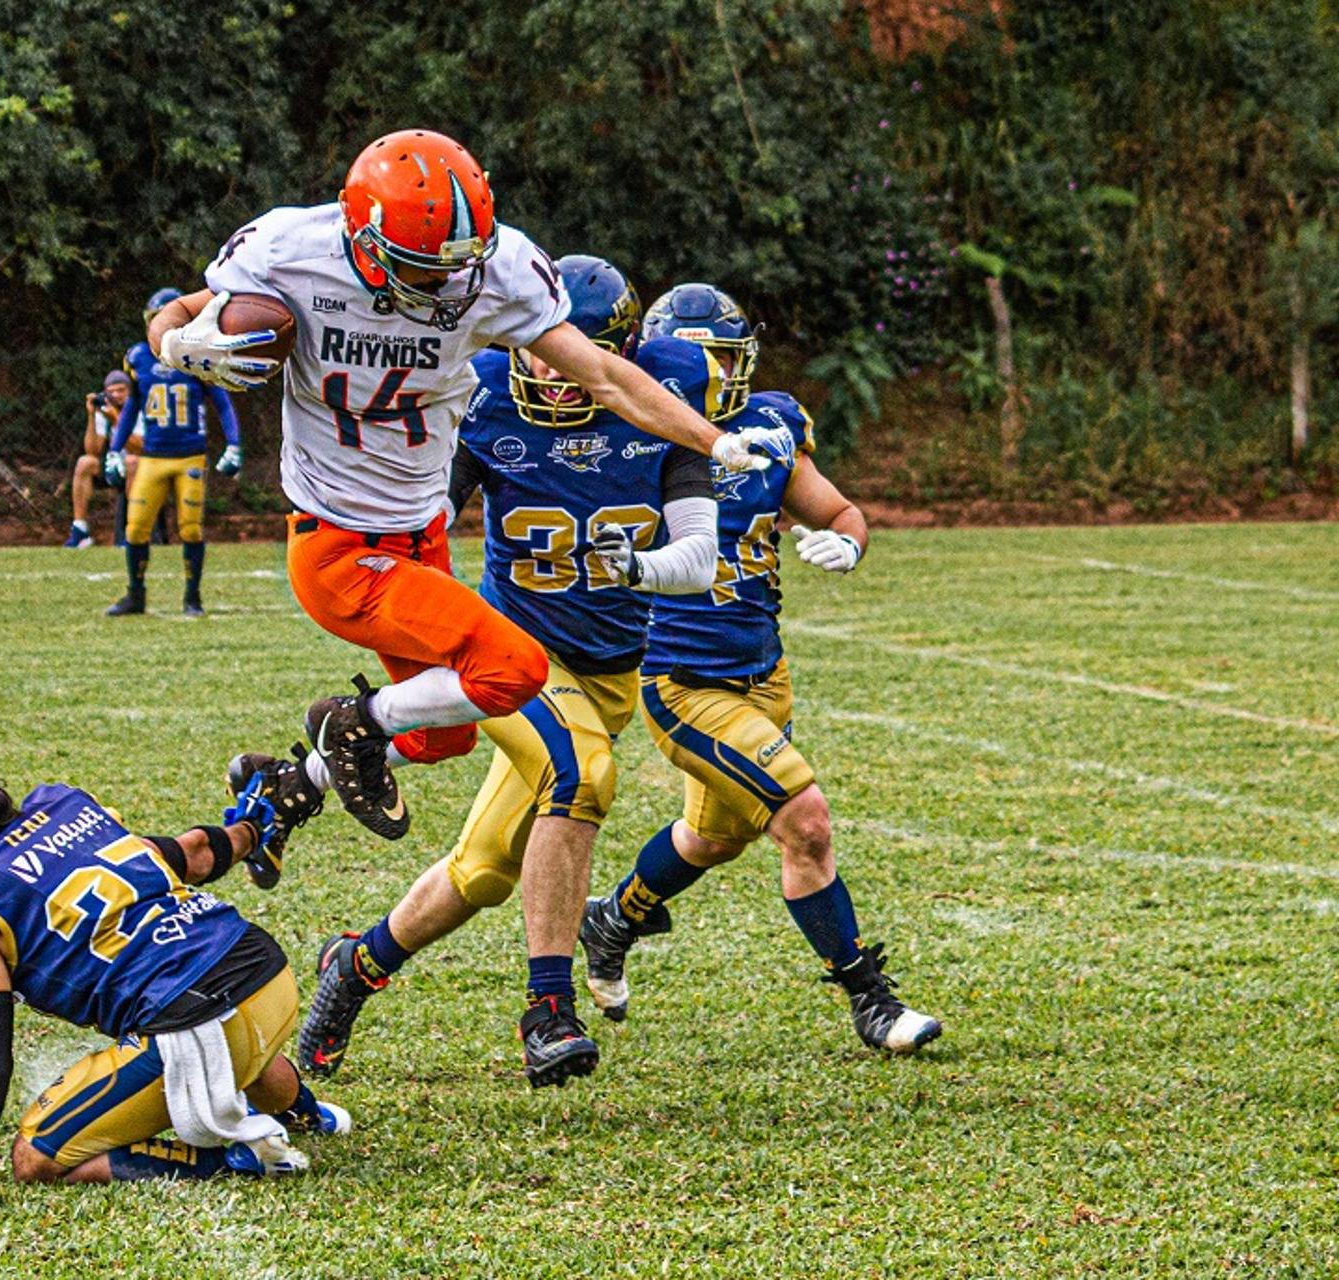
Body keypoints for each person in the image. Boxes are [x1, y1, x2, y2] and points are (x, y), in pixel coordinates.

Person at [146, 129, 787, 843]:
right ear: (361, 238)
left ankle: (291, 784)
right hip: (338, 546)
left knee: (440, 734)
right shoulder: (291, 252)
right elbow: (172, 314)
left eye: (458, 265)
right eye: (421, 267)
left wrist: (716, 439)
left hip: (419, 533)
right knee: (513, 669)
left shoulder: (497, 268)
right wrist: (174, 342)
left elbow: (605, 376)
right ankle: (345, 724)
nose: (443, 283)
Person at [294, 257, 723, 1087]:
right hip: (511, 657)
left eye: (578, 360)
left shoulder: (667, 396)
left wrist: (637, 568)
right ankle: (547, 1010)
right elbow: (418, 527)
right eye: (543, 357)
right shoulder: (485, 398)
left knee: (485, 871)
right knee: (584, 773)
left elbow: (699, 556)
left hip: (609, 671)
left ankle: (355, 964)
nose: (558, 379)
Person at [577, 284, 945, 1054]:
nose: (730, 373)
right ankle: (870, 1001)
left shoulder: (772, 421)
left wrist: (848, 543)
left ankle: (614, 918)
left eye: (735, 357)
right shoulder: (639, 436)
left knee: (712, 839)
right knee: (804, 822)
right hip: (683, 680)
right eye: (714, 358)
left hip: (763, 673)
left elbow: (840, 511)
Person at [0, 758, 350, 1188]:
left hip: (193, 1019)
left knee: (33, 1159)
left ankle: (233, 1161)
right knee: (240, 1041)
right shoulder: (64, 810)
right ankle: (310, 1117)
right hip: (267, 975)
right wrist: (252, 828)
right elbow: (197, 853)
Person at [104, 287, 245, 618]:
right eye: (156, 321)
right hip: (153, 456)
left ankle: (192, 598)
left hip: (189, 456)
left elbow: (222, 402)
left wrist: (234, 442)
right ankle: (135, 595)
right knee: (135, 528)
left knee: (191, 528)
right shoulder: (138, 356)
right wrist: (114, 450)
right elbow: (132, 407)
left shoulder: (198, 356)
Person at [62, 369, 134, 549]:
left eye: (121, 390)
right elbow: (93, 450)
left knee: (133, 462)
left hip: (139, 465)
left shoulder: (138, 409)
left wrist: (118, 421)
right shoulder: (106, 410)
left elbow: (140, 447)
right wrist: (92, 416)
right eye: (112, 391)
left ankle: (133, 531)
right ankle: (80, 530)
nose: (116, 395)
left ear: (130, 391)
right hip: (115, 466)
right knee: (85, 463)